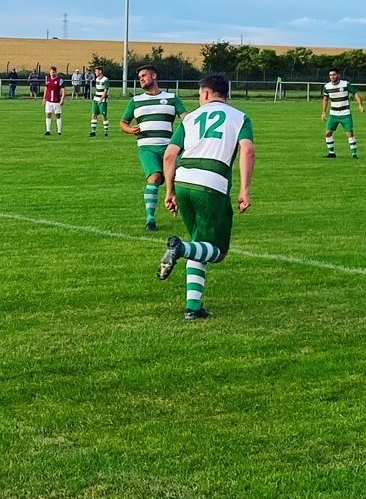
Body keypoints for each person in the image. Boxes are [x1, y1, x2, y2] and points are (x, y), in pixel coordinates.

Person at [156, 74, 254, 320]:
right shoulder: (240, 117)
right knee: (218, 252)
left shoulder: (190, 118)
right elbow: (248, 151)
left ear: (207, 93)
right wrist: (245, 190)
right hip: (211, 184)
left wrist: (169, 191)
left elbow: (169, 155)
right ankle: (179, 248)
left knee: (199, 244)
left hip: (183, 180)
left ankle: (193, 307)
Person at [120, 64, 188, 231]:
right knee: (155, 177)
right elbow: (123, 122)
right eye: (139, 77)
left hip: (169, 148)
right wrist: (129, 130)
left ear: (154, 76)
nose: (141, 79)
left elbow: (186, 118)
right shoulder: (135, 101)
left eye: (144, 76)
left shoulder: (172, 98)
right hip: (147, 148)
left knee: (180, 180)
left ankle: (181, 206)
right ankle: (150, 219)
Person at [322, 68, 364, 158]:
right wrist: (324, 112)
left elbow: (355, 93)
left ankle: (354, 154)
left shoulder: (345, 84)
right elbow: (325, 99)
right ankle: (332, 153)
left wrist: (360, 104)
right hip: (333, 114)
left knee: (349, 133)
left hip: (345, 114)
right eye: (330, 75)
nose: (332, 77)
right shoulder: (327, 87)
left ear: (338, 75)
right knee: (328, 133)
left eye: (334, 74)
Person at [42, 66, 65, 135]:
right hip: (49, 101)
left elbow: (63, 90)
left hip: (56, 101)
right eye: (51, 72)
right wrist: (44, 98)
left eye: (53, 72)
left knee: (58, 115)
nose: (52, 73)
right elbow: (46, 89)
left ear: (56, 72)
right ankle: (48, 131)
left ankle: (59, 131)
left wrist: (62, 99)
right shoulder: (48, 79)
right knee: (48, 114)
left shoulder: (59, 80)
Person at [88, 67, 111, 136]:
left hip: (102, 100)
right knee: (94, 114)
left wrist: (101, 99)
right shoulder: (97, 79)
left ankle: (106, 132)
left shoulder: (105, 80)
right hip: (96, 99)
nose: (95, 73)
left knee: (103, 115)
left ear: (100, 71)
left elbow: (105, 91)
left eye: (96, 71)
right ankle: (93, 132)